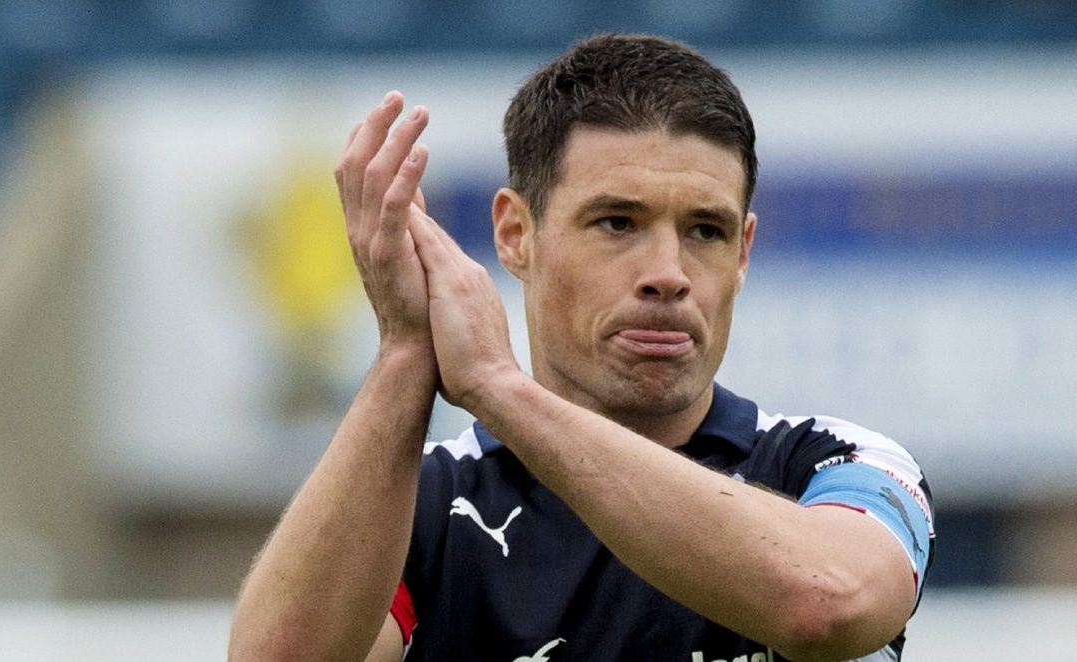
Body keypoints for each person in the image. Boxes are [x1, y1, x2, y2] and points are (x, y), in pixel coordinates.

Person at [230, 34, 934, 662]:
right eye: (617, 222)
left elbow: (827, 605)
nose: (668, 273)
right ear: (514, 233)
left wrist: (500, 389)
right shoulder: (424, 504)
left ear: (743, 252)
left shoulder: (834, 463)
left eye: (705, 231)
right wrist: (407, 354)